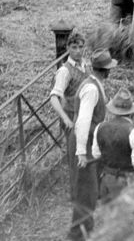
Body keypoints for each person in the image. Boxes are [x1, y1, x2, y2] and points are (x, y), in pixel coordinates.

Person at [69, 49, 116, 241]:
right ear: (106, 71)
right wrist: (81, 152)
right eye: (109, 68)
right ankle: (76, 235)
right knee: (85, 193)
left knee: (91, 189)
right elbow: (82, 121)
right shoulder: (91, 89)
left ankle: (87, 229)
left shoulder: (95, 84)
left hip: (90, 142)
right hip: (84, 143)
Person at [90, 90, 134, 205]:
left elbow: (95, 154)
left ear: (113, 110)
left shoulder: (100, 127)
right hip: (126, 182)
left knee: (108, 217)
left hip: (106, 180)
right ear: (131, 112)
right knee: (125, 217)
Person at [50, 32, 87, 168]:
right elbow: (54, 97)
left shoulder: (85, 65)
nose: (78, 51)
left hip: (85, 114)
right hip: (72, 116)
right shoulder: (65, 71)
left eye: (80, 47)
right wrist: (65, 118)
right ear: (68, 48)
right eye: (74, 47)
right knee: (75, 154)